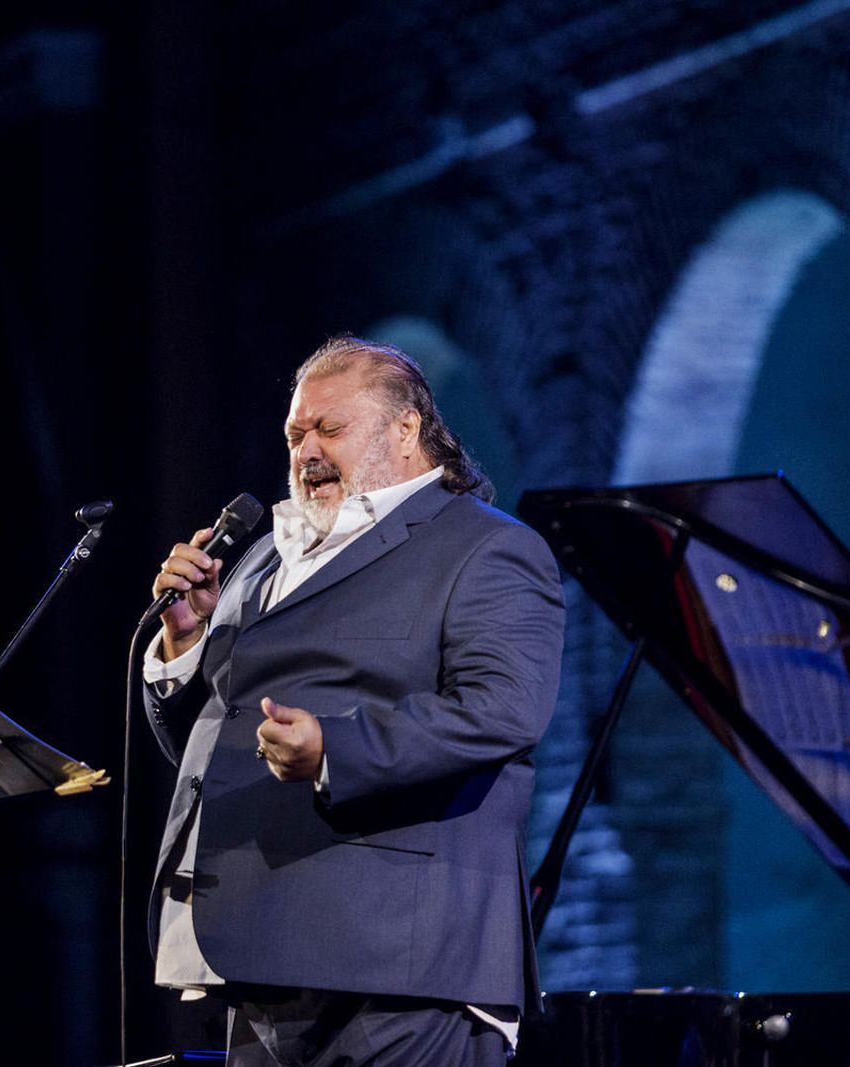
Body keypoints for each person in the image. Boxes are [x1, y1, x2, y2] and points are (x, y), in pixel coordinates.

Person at [143, 335, 564, 1065]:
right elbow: (223, 736)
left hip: (404, 968)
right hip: (263, 952)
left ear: (406, 428)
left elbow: (501, 709)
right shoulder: (264, 557)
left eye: (329, 429)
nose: (306, 451)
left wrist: (335, 748)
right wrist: (187, 640)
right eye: (294, 435)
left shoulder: (486, 547)